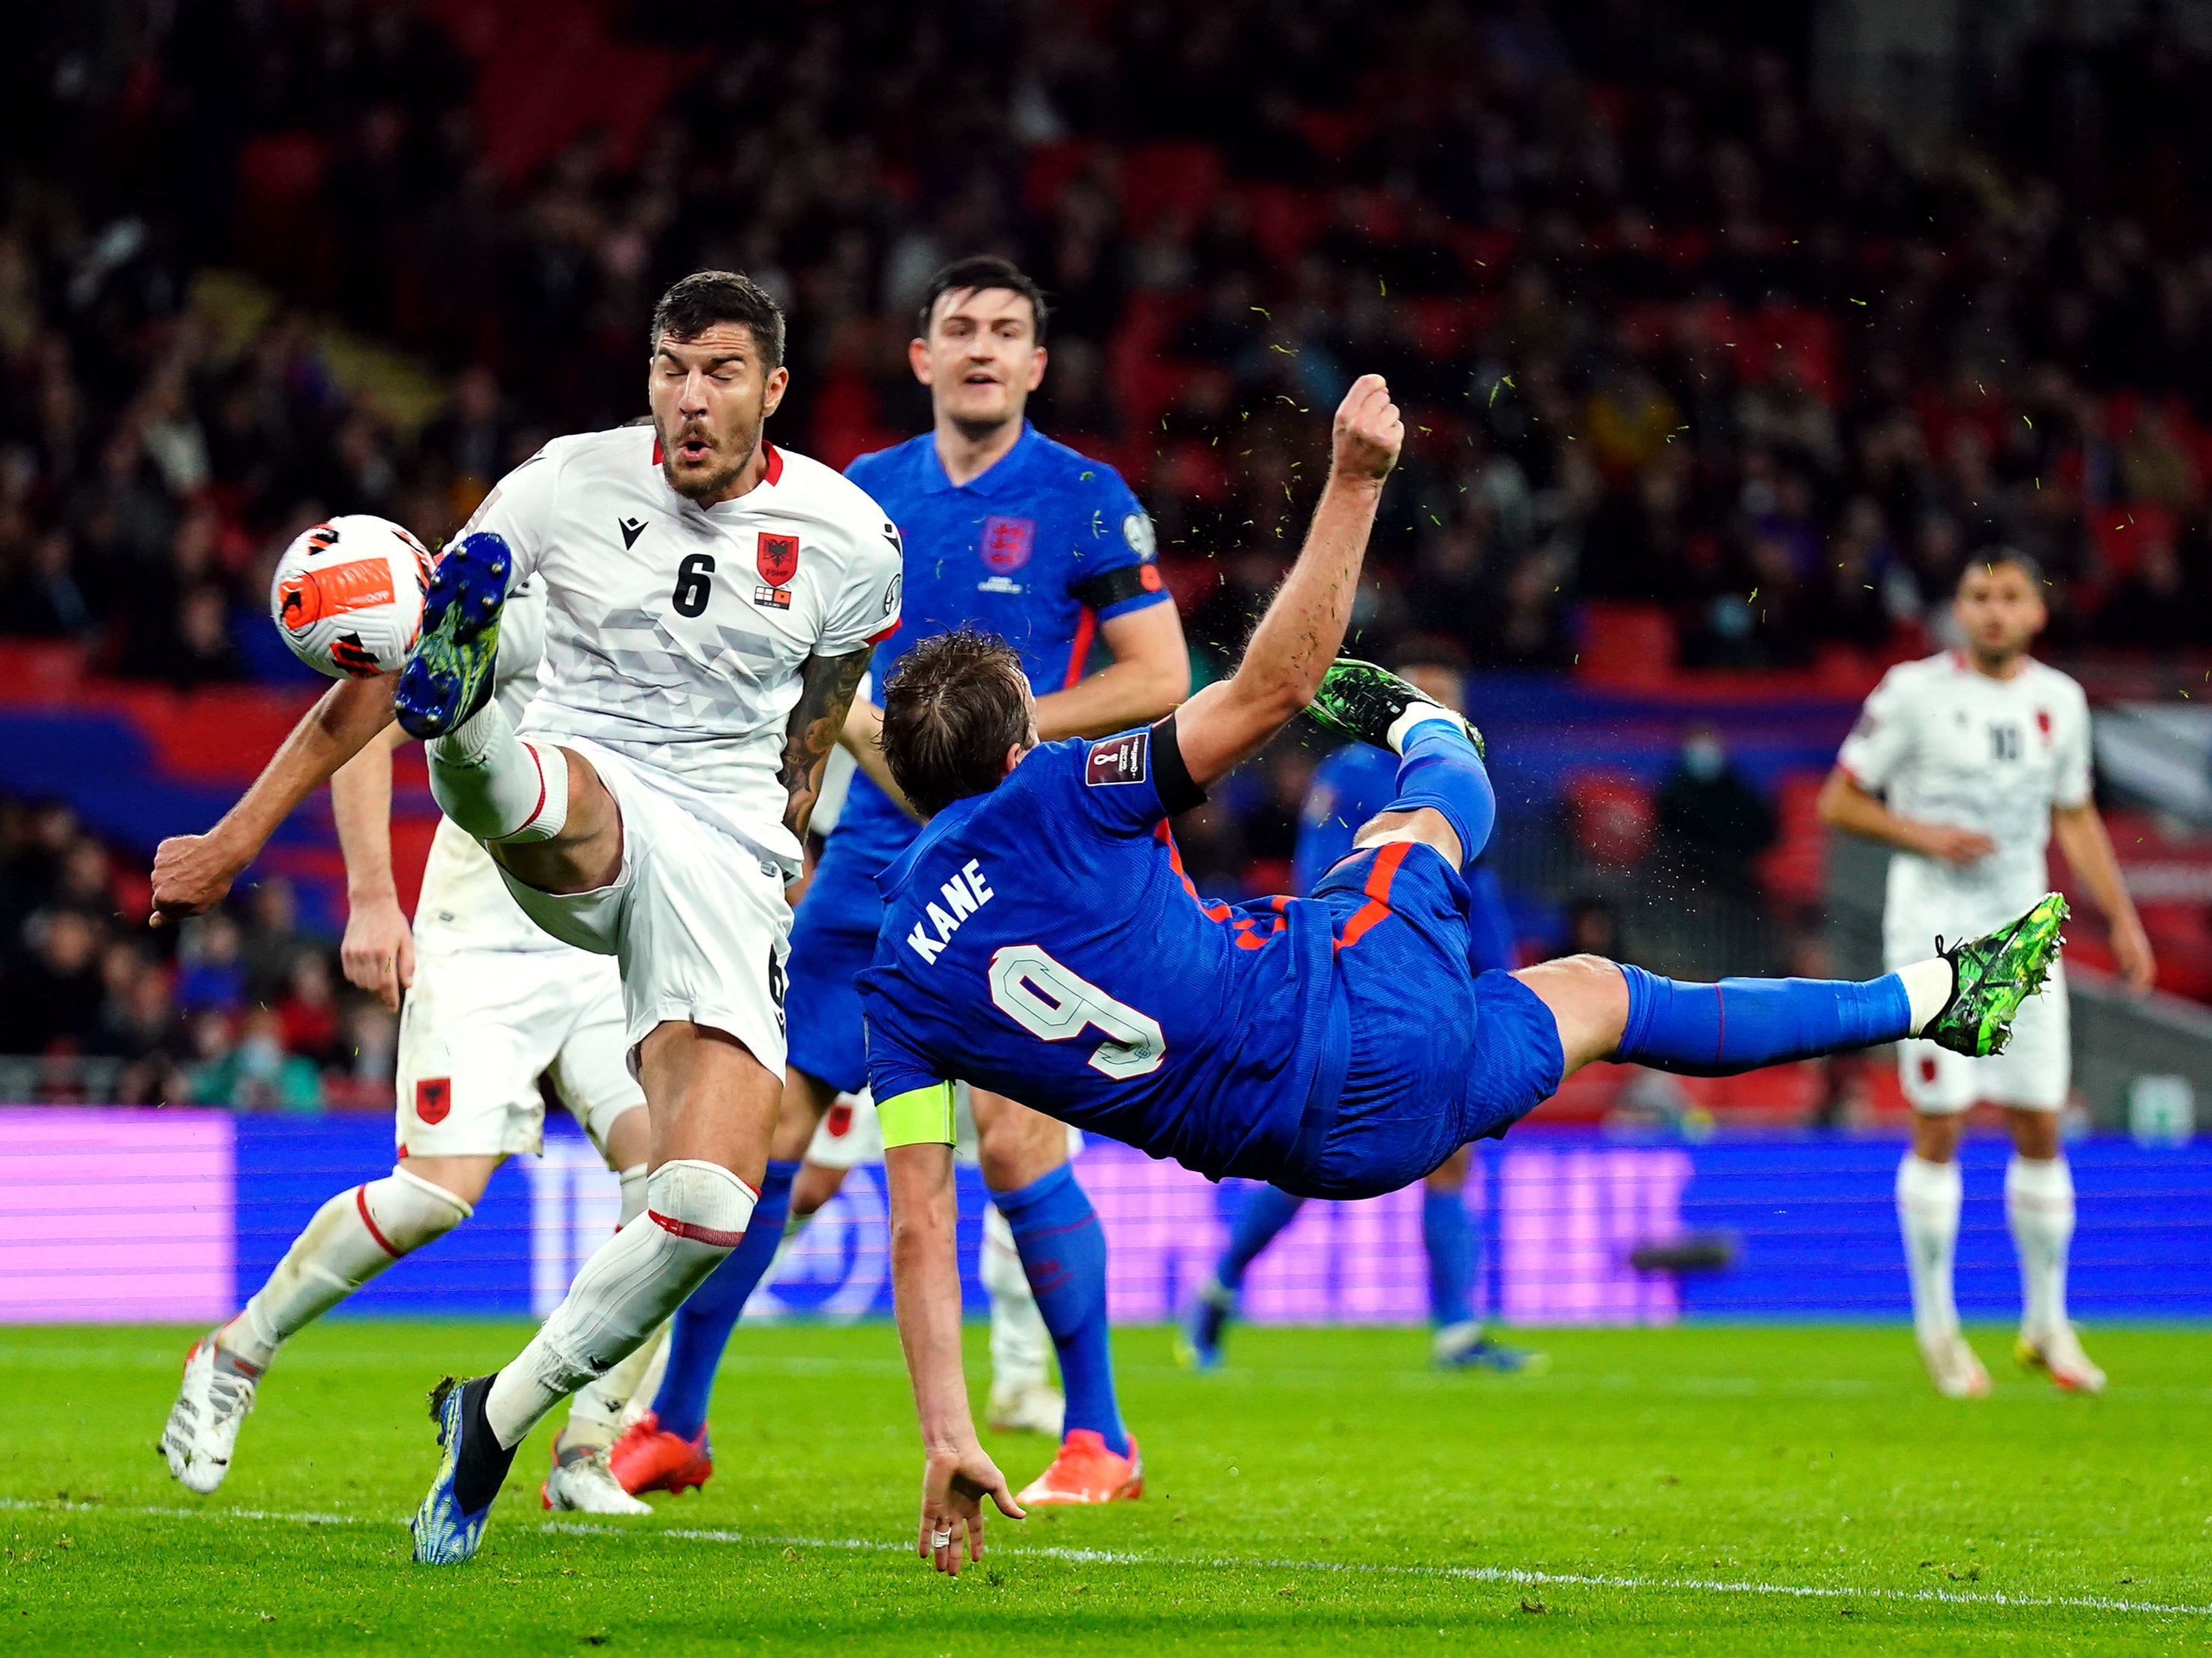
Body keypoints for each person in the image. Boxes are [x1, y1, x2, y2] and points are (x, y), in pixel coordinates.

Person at [850, 376, 2068, 1575]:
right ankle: (1438, 733)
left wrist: (948, 1435)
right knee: (1424, 825)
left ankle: (1937, 995)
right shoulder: (1058, 788)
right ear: (1019, 741)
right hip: (1345, 1008)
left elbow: (918, 1222)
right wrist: (1353, 480)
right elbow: (1267, 691)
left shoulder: (895, 984)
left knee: (1592, 989)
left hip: (1336, 1152)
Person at [607, 257, 1187, 1509]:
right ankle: (677, 1418)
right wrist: (806, 805)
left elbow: (1158, 674)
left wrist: (1009, 733)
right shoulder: (856, 494)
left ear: (1036, 364)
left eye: (1007, 332)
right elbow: (813, 674)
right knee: (757, 1131)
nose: (981, 349)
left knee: (1013, 1125)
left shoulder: (1082, 499)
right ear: (918, 357)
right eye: (957, 330)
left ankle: (1097, 1436)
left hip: (1019, 854)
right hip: (867, 857)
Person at [154, 578, 662, 1515]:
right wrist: (374, 897)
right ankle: (237, 1350)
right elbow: (357, 733)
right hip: (481, 940)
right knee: (435, 1194)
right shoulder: (521, 605)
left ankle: (589, 1443)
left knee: (677, 1187)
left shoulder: (677, 611)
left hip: (604, 942)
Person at [1818, 552, 2153, 1399]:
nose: (1993, 611)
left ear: (2037, 613)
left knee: (2039, 1122)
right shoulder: (1911, 692)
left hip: (2023, 939)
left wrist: (2120, 916)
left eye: (2009, 597)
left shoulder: (2059, 701)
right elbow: (1838, 800)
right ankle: (1938, 1327)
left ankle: (2046, 1322)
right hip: (1934, 935)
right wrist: (1923, 834)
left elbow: (2072, 814)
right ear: (1958, 611)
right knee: (1942, 1123)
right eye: (1978, 596)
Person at [1182, 657, 1540, 1375]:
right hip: (1356, 985)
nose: (1438, 715)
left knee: (1449, 1156)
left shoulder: (1465, 783)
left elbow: (1480, 893)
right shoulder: (1354, 772)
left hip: (1438, 988)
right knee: (1306, 1163)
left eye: (1449, 701)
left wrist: (1501, 983)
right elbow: (1322, 883)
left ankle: (1457, 1333)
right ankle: (1220, 1285)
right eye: (1425, 699)